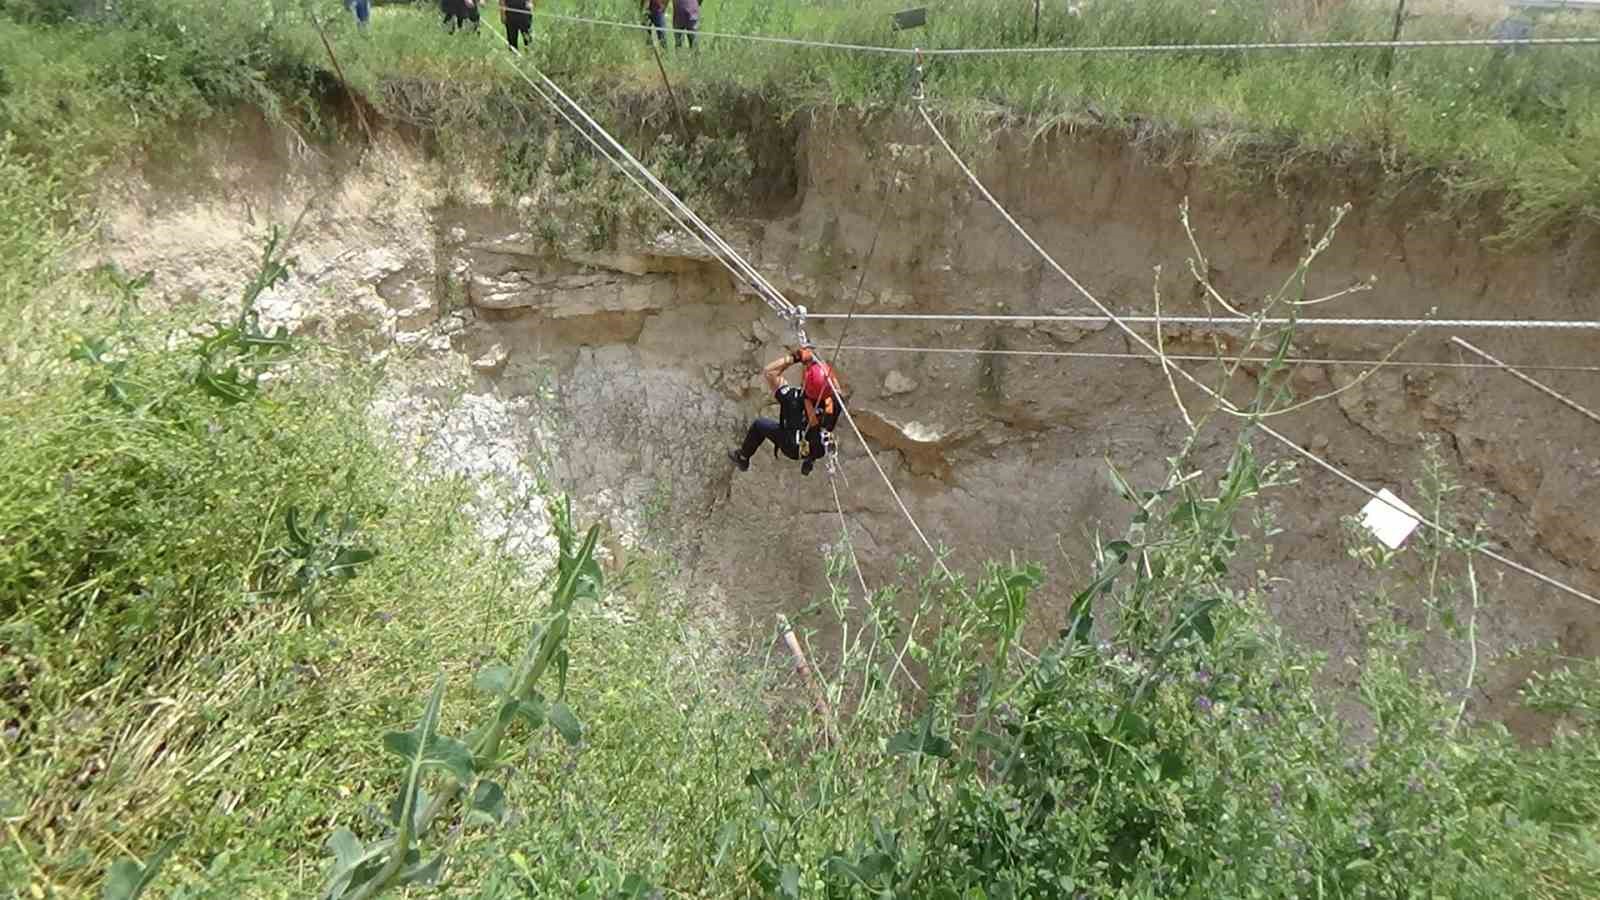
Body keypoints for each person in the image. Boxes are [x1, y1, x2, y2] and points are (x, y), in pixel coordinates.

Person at [728, 344, 842, 477]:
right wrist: (820, 367)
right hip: (818, 448)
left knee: (759, 425)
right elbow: (835, 386)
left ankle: (743, 457)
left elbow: (769, 372)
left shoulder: (792, 398)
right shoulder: (834, 403)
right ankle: (810, 458)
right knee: (816, 434)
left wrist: (795, 357)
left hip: (792, 447)